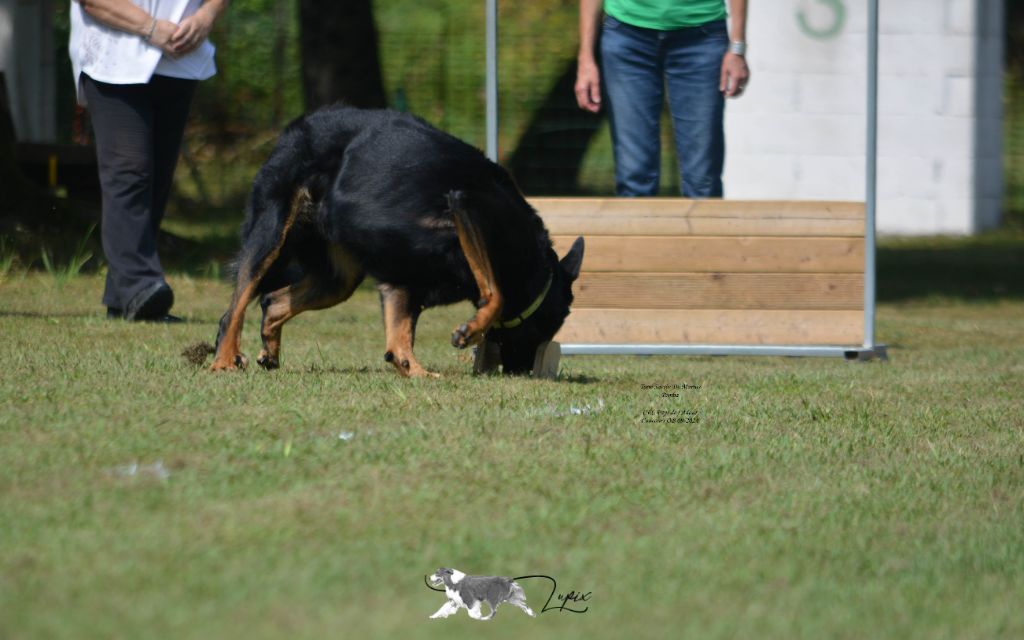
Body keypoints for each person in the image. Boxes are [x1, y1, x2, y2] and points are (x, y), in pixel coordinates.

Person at [69, 0, 228, 321]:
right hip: (115, 56)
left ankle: (124, 296)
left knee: (155, 178)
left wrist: (206, 15)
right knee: (129, 171)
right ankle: (140, 284)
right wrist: (150, 28)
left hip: (180, 57)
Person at [575, 0, 749, 197]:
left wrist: (737, 48)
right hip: (627, 36)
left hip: (701, 36)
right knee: (634, 176)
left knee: (703, 180)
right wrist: (586, 58)